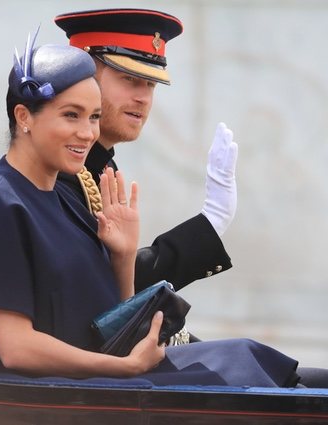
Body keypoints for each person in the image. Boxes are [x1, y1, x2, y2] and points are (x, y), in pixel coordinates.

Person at [0, 38, 301, 388]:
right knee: (265, 374)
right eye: (71, 115)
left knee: (282, 371)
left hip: (107, 381)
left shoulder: (61, 198)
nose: (87, 133)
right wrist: (124, 367)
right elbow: (16, 349)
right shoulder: (0, 200)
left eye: (93, 117)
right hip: (70, 394)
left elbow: (110, 320)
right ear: (24, 116)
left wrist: (123, 257)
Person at [53, 8, 236, 293]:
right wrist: (210, 223)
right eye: (129, 79)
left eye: (151, 83)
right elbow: (96, 289)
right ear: (83, 77)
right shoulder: (61, 169)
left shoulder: (98, 164)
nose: (143, 98)